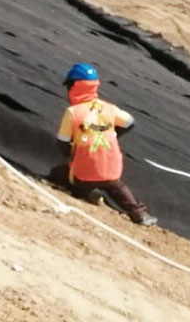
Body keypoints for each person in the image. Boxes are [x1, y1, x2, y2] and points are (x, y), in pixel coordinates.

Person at [56, 63, 156, 227]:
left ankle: (87, 193)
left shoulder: (73, 112)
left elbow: (62, 145)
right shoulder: (109, 108)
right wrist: (113, 135)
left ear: (73, 87)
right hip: (111, 170)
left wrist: (75, 149)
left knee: (61, 174)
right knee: (117, 186)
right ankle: (139, 213)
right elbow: (130, 122)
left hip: (84, 172)